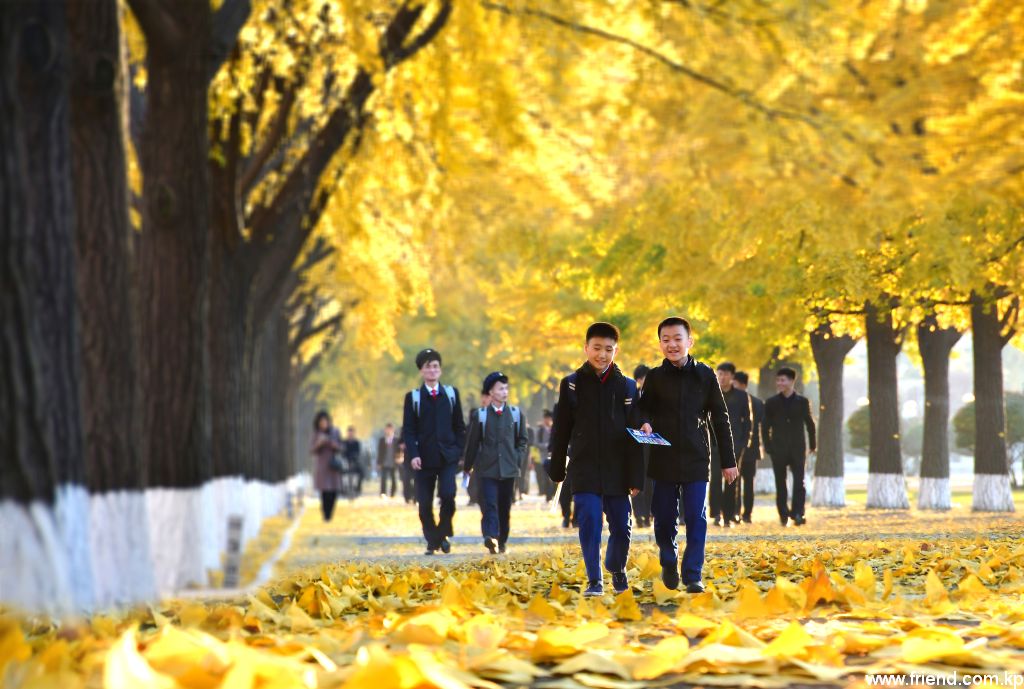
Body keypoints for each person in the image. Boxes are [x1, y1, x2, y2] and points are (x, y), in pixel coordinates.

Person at [636, 317, 737, 594]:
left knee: (696, 516)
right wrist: (644, 422)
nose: (672, 344)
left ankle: (693, 574)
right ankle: (668, 560)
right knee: (665, 517)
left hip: (695, 457)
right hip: (663, 459)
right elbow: (643, 409)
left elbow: (720, 418)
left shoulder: (705, 375)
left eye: (677, 338)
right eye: (666, 339)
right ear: (660, 344)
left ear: (689, 342)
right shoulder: (655, 377)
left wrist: (728, 461)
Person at [548, 322, 642, 597]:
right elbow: (562, 427)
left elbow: (636, 433)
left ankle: (616, 566)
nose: (602, 354)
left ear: (616, 350)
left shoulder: (626, 387)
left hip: (618, 469)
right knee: (589, 520)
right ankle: (594, 579)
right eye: (597, 348)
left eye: (608, 349)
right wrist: (557, 466)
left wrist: (636, 475)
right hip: (584, 466)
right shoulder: (572, 385)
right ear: (586, 347)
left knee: (622, 528)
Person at [402, 348, 468, 555]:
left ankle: (442, 533)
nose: (432, 370)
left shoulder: (450, 394)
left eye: (436, 366)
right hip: (423, 458)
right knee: (424, 504)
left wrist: (459, 450)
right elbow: (409, 430)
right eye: (428, 366)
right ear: (421, 371)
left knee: (448, 495)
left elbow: (460, 425)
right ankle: (433, 538)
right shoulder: (413, 398)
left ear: (440, 370)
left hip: (448, 456)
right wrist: (413, 454)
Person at [463, 372, 530, 554]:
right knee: (490, 504)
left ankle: (502, 540)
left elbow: (523, 440)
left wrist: (517, 458)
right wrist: (467, 467)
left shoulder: (516, 414)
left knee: (504, 507)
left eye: (506, 388)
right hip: (487, 470)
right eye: (500, 388)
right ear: (491, 392)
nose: (504, 391)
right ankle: (490, 536)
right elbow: (473, 443)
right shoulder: (481, 415)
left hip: (509, 469)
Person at [764, 367, 816, 526]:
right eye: (778, 380)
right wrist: (768, 446)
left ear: (792, 381)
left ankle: (798, 513)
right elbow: (765, 427)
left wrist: (813, 445)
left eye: (783, 380)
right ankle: (783, 514)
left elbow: (810, 424)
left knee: (799, 482)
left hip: (798, 448)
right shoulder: (771, 403)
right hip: (778, 449)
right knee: (781, 483)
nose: (779, 383)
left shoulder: (803, 402)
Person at [711, 363, 751, 527]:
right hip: (714, 444)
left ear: (732, 376)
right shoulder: (712, 394)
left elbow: (748, 422)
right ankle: (716, 514)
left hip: (735, 445)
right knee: (714, 480)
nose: (722, 377)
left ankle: (728, 515)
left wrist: (743, 443)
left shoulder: (741, 396)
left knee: (731, 481)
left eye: (726, 374)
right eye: (719, 374)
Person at [734, 371, 764, 523]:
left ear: (743, 385)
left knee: (743, 482)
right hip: (750, 448)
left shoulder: (754, 403)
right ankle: (744, 514)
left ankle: (741, 513)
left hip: (747, 449)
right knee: (742, 482)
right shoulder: (758, 402)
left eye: (735, 384)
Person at [631, 365, 653, 528]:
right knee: (637, 479)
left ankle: (649, 513)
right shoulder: (632, 396)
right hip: (636, 444)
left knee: (652, 480)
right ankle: (639, 515)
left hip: (655, 444)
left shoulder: (658, 396)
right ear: (639, 380)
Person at [310, 411, 343, 521]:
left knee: (333, 492)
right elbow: (312, 450)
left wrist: (335, 445)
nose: (324, 424)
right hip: (322, 466)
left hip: (333, 466)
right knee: (324, 492)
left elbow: (342, 447)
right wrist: (319, 443)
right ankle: (326, 515)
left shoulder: (335, 432)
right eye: (321, 422)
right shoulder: (316, 434)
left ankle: (330, 512)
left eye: (325, 422)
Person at [463, 390, 491, 506]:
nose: (484, 399)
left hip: (494, 456)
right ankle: (474, 497)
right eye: (482, 397)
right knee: (475, 479)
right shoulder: (477, 415)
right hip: (479, 456)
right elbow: (471, 440)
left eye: (486, 397)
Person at [533, 410, 556, 501]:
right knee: (546, 478)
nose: (548, 420)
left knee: (555, 478)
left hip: (555, 457)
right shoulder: (540, 431)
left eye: (549, 418)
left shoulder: (555, 429)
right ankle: (548, 496)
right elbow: (536, 443)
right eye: (546, 418)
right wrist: (545, 445)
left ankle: (554, 495)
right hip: (543, 457)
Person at [378, 423, 400, 498]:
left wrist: (399, 458)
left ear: (393, 430)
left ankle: (392, 494)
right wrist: (379, 463)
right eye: (387, 429)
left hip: (394, 462)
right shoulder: (382, 440)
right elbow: (380, 452)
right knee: (383, 478)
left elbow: (399, 451)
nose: (388, 431)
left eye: (390, 429)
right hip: (384, 462)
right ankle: (383, 493)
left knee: (394, 479)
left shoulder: (397, 440)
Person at [343, 426, 364, 498]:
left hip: (355, 462)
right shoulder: (344, 442)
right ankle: (343, 490)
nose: (350, 434)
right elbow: (342, 453)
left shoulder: (356, 442)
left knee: (361, 472)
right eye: (349, 433)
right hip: (345, 461)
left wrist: (354, 459)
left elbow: (358, 453)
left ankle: (358, 488)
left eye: (351, 433)